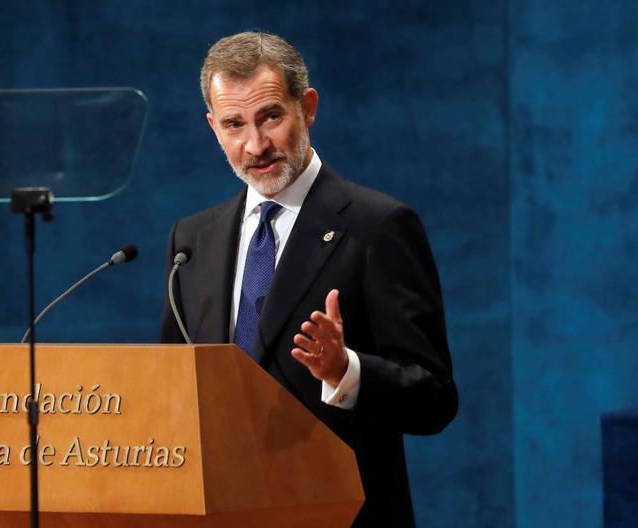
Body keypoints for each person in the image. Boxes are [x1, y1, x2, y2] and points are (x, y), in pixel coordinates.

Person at [160, 31, 458, 526]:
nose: (255, 145)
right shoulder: (192, 241)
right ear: (213, 127)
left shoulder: (377, 227)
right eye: (234, 124)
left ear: (308, 106)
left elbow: (435, 399)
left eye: (270, 116)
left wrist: (347, 370)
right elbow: (171, 391)